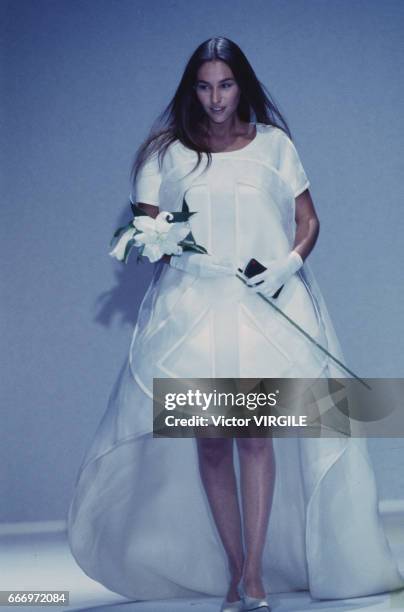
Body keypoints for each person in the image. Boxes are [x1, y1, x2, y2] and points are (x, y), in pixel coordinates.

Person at [67, 37, 404, 612]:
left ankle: (253, 575)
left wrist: (287, 265)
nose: (216, 97)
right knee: (213, 440)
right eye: (204, 85)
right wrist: (169, 246)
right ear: (190, 89)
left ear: (241, 84)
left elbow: (308, 218)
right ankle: (231, 565)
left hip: (262, 306)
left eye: (225, 84)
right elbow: (147, 231)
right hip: (193, 311)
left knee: (256, 433)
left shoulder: (273, 145)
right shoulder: (166, 154)